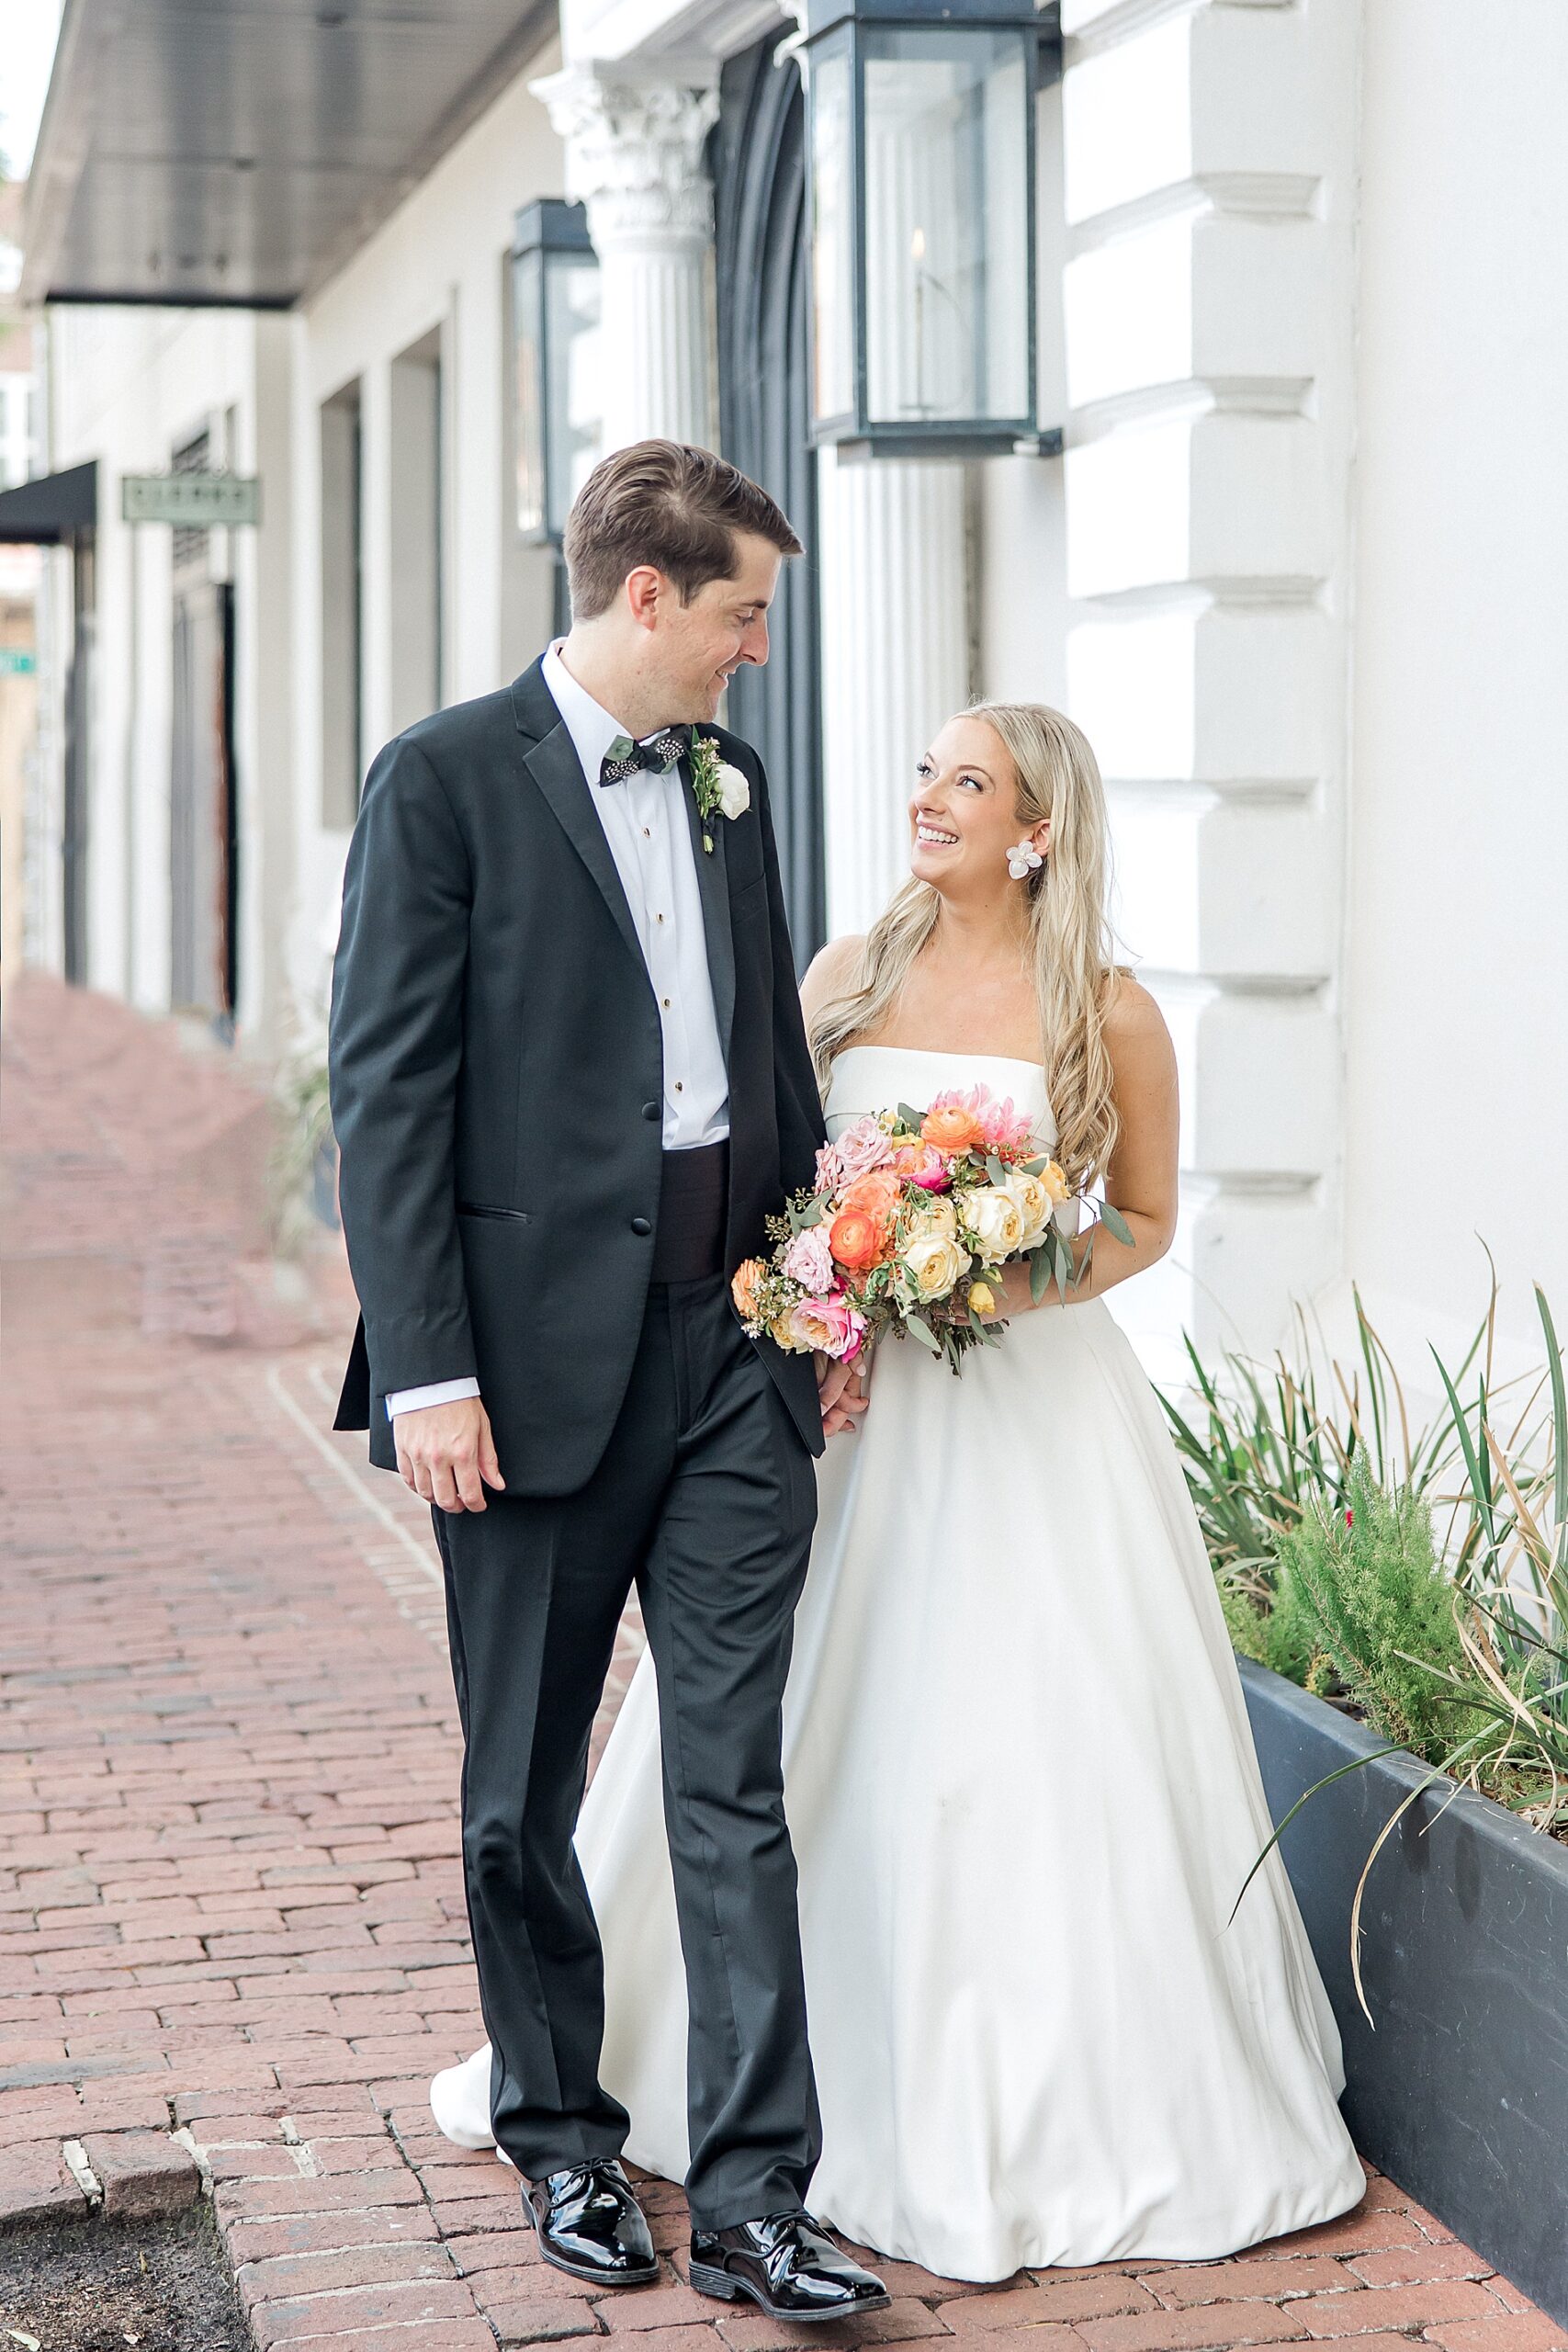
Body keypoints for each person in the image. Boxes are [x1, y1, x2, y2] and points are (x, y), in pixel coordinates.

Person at [431, 699, 1368, 2281]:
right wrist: (821, 1304)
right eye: (925, 770)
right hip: (837, 1409)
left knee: (1018, 1742)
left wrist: (1003, 1280)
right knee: (769, 1738)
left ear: (1037, 828)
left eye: (967, 780)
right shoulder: (844, 974)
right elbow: (772, 1174)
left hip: (1027, 1422)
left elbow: (1136, 1221)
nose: (926, 796)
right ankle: (712, 2097)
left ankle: (1025, 2101)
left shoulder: (1110, 1012)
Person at [328, 438, 887, 2322]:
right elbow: (388, 1098)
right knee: (523, 1786)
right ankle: (560, 2134)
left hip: (732, 1346)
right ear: (648, 595)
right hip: (525, 1372)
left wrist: (818, 1295)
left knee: (730, 1778)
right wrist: (428, 1371)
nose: (752, 648)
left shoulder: (726, 788)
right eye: (738, 612)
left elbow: (771, 1068)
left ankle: (752, 2195)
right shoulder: (440, 780)